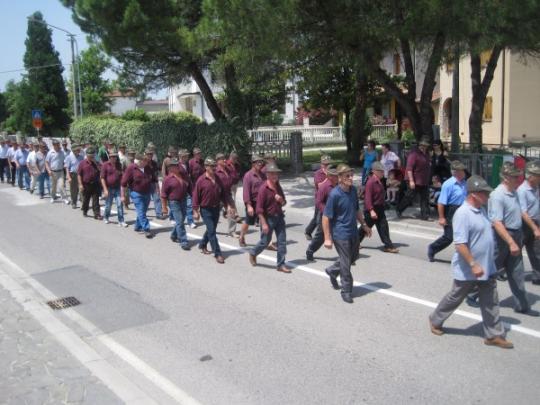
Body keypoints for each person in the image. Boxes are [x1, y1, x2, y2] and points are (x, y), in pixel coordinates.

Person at [429, 175, 513, 349]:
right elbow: (460, 244)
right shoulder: (463, 213)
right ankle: (435, 319)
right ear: (474, 194)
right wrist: (473, 264)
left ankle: (493, 334)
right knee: (456, 296)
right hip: (469, 268)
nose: (487, 196)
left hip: (487, 267)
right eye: (484, 193)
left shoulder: (481, 210)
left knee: (490, 300)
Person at [322, 164, 372, 304]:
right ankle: (346, 290)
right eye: (347, 176)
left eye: (351, 175)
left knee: (354, 257)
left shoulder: (353, 191)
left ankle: (332, 270)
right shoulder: (334, 195)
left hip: (353, 231)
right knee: (345, 263)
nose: (351, 178)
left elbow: (357, 209)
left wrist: (364, 225)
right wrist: (327, 238)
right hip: (340, 233)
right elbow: (326, 217)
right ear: (340, 178)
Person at [487, 163, 530, 313]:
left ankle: (522, 304)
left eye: (518, 176)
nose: (518, 178)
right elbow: (497, 223)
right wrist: (511, 242)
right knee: (492, 268)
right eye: (514, 176)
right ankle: (472, 292)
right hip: (503, 237)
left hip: (516, 233)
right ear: (506, 178)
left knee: (517, 270)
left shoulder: (515, 192)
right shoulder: (498, 195)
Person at [247, 162, 290, 273]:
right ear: (267, 175)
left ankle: (280, 264)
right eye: (272, 174)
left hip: (279, 217)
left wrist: (281, 200)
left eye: (276, 174)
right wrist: (264, 223)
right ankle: (253, 253)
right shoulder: (263, 189)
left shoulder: (278, 186)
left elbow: (284, 202)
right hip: (268, 219)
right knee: (265, 242)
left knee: (282, 242)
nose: (275, 176)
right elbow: (259, 209)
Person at [192, 157, 235, 264]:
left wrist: (228, 206)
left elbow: (224, 194)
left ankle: (202, 244)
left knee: (211, 230)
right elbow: (195, 196)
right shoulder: (201, 180)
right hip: (205, 209)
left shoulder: (218, 179)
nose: (213, 168)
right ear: (206, 167)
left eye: (214, 166)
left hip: (216, 208)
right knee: (212, 231)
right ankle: (218, 253)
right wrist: (195, 211)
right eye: (211, 166)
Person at [427, 161, 467, 262]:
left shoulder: (465, 183)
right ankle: (433, 248)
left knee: (465, 236)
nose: (464, 172)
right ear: (456, 172)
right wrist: (441, 217)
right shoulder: (448, 184)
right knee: (449, 237)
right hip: (451, 211)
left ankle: (465, 257)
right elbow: (441, 202)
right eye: (462, 171)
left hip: (463, 210)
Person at [358, 162, 399, 253]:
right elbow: (368, 198)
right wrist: (371, 210)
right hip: (372, 209)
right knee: (365, 228)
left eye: (382, 171)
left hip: (380, 208)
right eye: (380, 171)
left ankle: (388, 245)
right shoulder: (371, 182)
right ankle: (354, 242)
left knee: (383, 227)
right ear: (374, 171)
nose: (382, 173)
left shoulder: (380, 181)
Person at [306, 166, 338, 261]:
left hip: (336, 215)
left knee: (339, 234)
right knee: (321, 236)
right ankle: (310, 250)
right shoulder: (324, 187)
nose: (337, 177)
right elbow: (318, 202)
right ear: (330, 177)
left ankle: (346, 255)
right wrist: (327, 211)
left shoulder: (338, 185)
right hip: (325, 215)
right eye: (335, 176)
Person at [396, 137, 431, 220]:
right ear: (420, 145)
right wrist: (411, 181)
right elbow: (409, 168)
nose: (424, 147)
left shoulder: (426, 154)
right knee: (409, 197)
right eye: (423, 145)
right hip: (413, 180)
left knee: (425, 198)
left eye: (425, 146)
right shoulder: (414, 154)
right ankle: (399, 209)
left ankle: (425, 215)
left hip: (423, 180)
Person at [517, 160, 540, 285]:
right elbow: (523, 212)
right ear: (530, 176)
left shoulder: (536, 188)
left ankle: (538, 277)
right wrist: (534, 228)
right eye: (538, 175)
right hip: (524, 225)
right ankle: (501, 271)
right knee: (515, 251)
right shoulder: (522, 190)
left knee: (537, 252)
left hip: (536, 223)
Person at [121, 153, 154, 238]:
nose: (146, 163)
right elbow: (123, 183)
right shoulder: (131, 168)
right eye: (145, 161)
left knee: (143, 211)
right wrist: (122, 195)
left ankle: (137, 226)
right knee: (141, 210)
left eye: (147, 161)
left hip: (147, 193)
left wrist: (157, 188)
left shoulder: (147, 168)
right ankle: (146, 229)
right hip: (136, 193)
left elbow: (153, 178)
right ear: (139, 161)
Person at [161, 159, 191, 251]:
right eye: (174, 166)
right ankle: (183, 241)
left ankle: (174, 235)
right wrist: (164, 207)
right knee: (180, 221)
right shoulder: (167, 179)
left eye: (177, 165)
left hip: (183, 200)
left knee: (181, 220)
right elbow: (163, 194)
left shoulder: (184, 176)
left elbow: (190, 187)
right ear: (170, 168)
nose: (177, 167)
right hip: (174, 202)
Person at [239, 155, 266, 247]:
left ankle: (265, 241)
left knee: (264, 221)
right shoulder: (248, 176)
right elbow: (246, 192)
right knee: (248, 222)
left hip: (262, 202)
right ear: (253, 163)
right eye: (258, 162)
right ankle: (241, 237)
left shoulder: (263, 175)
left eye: (261, 162)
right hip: (252, 203)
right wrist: (249, 205)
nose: (260, 164)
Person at [305, 155, 331, 240]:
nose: (326, 166)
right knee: (317, 218)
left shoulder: (333, 172)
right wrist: (328, 177)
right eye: (324, 164)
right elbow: (320, 186)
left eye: (328, 164)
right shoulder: (318, 173)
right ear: (321, 165)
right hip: (320, 199)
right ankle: (308, 231)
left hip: (330, 198)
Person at [100, 150, 127, 227]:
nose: (114, 158)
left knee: (119, 204)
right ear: (109, 157)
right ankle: (106, 217)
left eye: (115, 156)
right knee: (108, 205)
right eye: (112, 156)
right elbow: (102, 178)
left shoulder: (119, 165)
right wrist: (105, 189)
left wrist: (123, 189)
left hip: (118, 188)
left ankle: (121, 220)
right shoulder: (105, 165)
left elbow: (122, 177)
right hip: (109, 188)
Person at [215, 153, 238, 238]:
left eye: (224, 158)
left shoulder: (228, 169)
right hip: (218, 196)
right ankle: (211, 228)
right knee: (214, 214)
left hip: (227, 194)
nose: (224, 160)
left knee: (232, 211)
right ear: (217, 161)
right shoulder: (215, 171)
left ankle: (232, 231)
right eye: (222, 159)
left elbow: (233, 179)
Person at [77, 147, 102, 220]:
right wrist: (80, 184)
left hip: (95, 184)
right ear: (87, 155)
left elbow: (101, 170)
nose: (91, 157)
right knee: (86, 200)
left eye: (93, 156)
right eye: (90, 156)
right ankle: (85, 210)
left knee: (96, 201)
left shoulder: (96, 163)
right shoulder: (82, 163)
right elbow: (79, 174)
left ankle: (97, 214)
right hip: (86, 185)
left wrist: (95, 163)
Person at [45, 139, 69, 204]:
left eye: (58, 144)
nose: (58, 145)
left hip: (60, 172)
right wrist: (48, 170)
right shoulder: (50, 153)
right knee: (53, 186)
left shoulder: (62, 152)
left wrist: (65, 164)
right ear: (54, 145)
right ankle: (53, 197)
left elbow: (65, 161)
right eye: (57, 144)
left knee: (61, 186)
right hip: (52, 172)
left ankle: (65, 198)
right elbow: (46, 162)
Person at [179, 149, 196, 228]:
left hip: (188, 188)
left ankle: (190, 221)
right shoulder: (177, 165)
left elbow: (189, 175)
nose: (187, 158)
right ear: (181, 157)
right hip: (179, 189)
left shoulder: (187, 165)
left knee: (189, 205)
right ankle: (178, 221)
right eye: (185, 156)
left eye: (187, 156)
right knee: (181, 207)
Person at [145, 148, 164, 220]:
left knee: (157, 198)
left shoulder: (154, 163)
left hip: (153, 183)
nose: (150, 155)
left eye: (151, 154)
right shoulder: (143, 163)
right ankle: (143, 213)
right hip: (145, 184)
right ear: (145, 154)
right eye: (148, 154)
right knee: (147, 200)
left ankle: (159, 214)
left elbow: (156, 174)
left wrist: (157, 186)